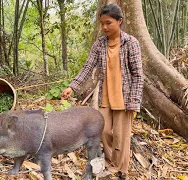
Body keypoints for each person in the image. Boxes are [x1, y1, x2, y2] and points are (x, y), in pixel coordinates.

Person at [61, 4, 143, 179]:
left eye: (108, 23)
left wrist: (134, 102)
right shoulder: (99, 44)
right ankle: (111, 162)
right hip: (106, 96)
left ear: (119, 21)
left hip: (125, 97)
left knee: (122, 137)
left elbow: (137, 74)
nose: (104, 27)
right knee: (103, 131)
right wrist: (72, 87)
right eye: (102, 23)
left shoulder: (131, 43)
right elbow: (87, 66)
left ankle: (121, 170)